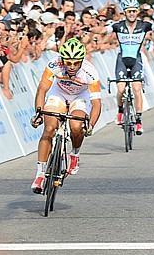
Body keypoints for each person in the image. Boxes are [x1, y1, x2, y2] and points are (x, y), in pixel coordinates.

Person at [90, 0, 154, 134]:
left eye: (134, 11)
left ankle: (139, 120)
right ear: (125, 12)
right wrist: (90, 29)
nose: (132, 14)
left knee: (136, 88)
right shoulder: (118, 25)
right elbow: (103, 30)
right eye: (129, 11)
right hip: (122, 59)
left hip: (136, 60)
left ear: (138, 12)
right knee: (121, 88)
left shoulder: (144, 25)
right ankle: (120, 111)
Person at [30, 39, 101, 193]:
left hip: (80, 97)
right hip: (59, 94)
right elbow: (42, 89)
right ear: (62, 60)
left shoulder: (90, 72)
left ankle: (75, 154)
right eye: (68, 63)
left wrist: (91, 125)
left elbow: (96, 104)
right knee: (49, 128)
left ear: (81, 61)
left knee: (76, 126)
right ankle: (40, 174)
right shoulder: (54, 65)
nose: (72, 67)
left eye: (76, 63)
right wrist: (39, 113)